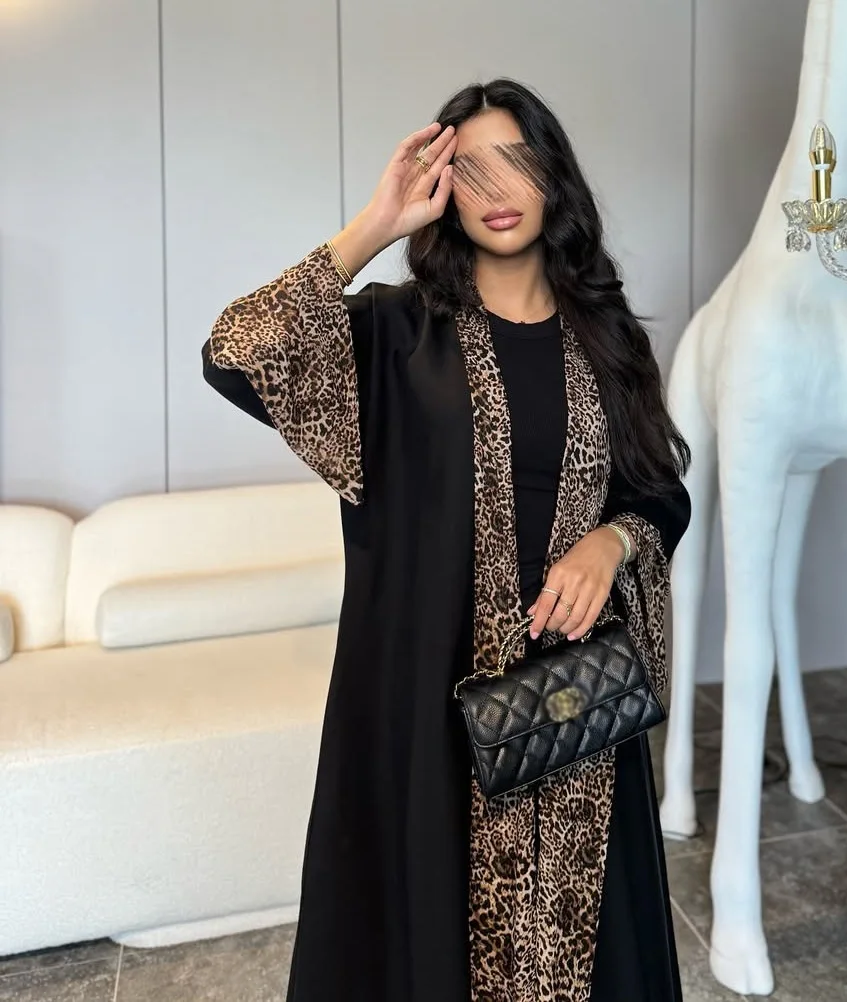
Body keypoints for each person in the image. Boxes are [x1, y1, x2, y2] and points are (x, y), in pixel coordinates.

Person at [203, 78, 691, 1002]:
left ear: (554, 178)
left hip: (573, 702)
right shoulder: (394, 333)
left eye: (517, 163)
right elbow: (234, 353)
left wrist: (613, 545)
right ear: (440, 190)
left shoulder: (607, 337)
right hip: (427, 706)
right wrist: (373, 226)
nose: (496, 191)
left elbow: (660, 492)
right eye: (469, 170)